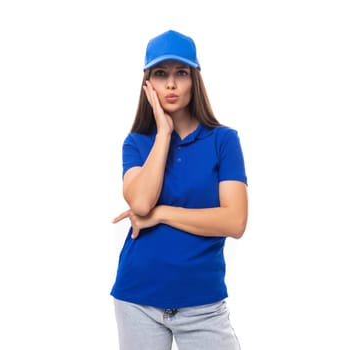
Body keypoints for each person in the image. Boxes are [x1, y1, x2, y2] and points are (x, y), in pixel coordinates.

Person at [110, 29, 248, 350]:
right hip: (138, 301)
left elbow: (235, 221)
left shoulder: (223, 141)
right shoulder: (137, 144)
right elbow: (141, 203)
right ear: (148, 85)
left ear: (194, 81)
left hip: (203, 304)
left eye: (181, 73)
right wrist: (163, 133)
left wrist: (162, 214)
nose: (171, 84)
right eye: (161, 74)